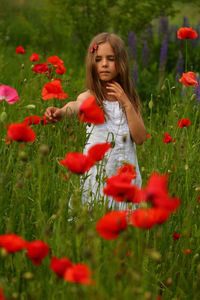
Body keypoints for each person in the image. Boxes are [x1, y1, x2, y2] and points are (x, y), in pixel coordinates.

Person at [44, 32, 146, 209]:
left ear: (121, 63)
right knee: (95, 215)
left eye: (111, 58)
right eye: (98, 59)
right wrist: (60, 112)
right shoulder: (90, 96)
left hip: (125, 173)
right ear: (92, 63)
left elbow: (140, 138)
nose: (104, 64)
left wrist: (127, 104)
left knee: (123, 224)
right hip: (98, 172)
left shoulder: (129, 99)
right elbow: (75, 106)